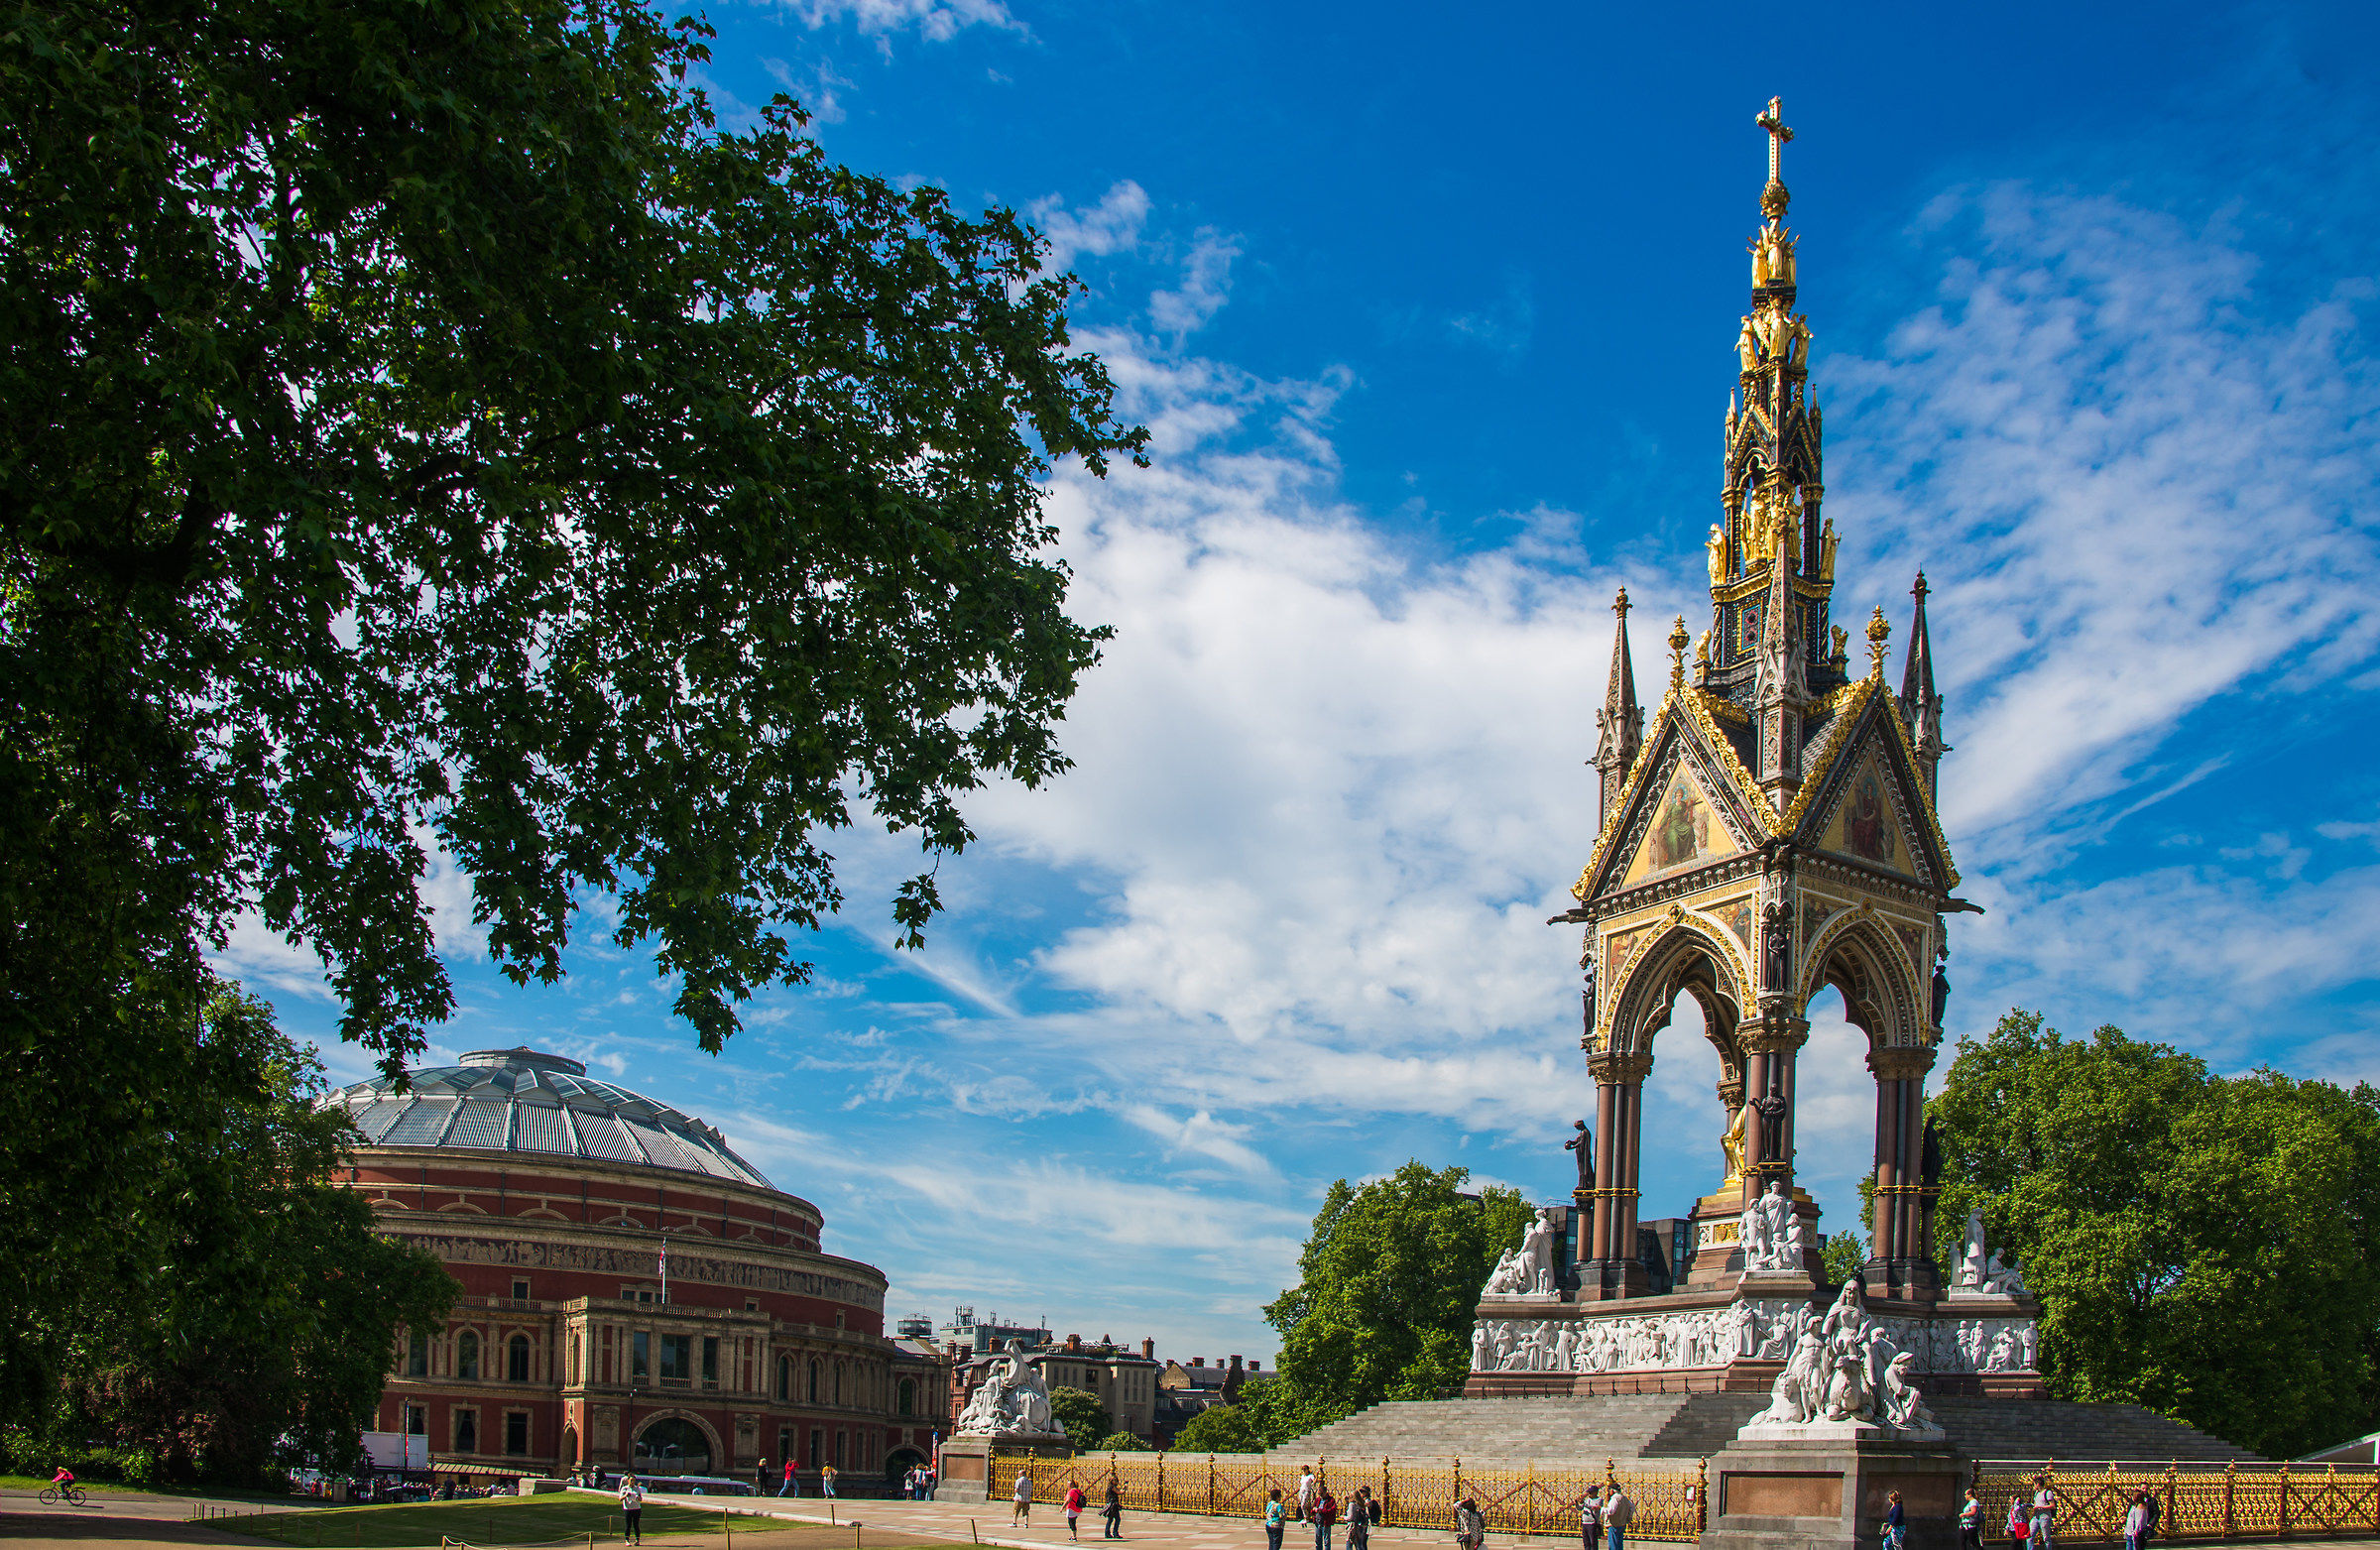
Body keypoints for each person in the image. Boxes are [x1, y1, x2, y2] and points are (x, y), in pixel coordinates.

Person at [1604, 1483, 1634, 1550]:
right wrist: (1628, 1517)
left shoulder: (1615, 1499)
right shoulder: (1624, 1498)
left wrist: (1602, 1509)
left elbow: (1611, 1511)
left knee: (1613, 1544)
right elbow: (1632, 1507)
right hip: (1622, 1523)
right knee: (1619, 1544)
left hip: (1614, 1524)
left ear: (1612, 1490)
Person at [2030, 1478, 2057, 1550]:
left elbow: (2052, 1505)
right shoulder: (2036, 1493)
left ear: (2037, 1484)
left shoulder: (2047, 1493)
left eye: (2034, 1484)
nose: (2033, 1486)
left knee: (2046, 1538)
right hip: (2036, 1516)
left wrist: (2040, 1507)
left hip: (2044, 1517)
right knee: (2030, 1535)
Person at [619, 1474, 646, 1546]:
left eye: (633, 1480)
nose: (632, 1482)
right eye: (631, 1480)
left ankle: (637, 1540)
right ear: (628, 1480)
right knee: (628, 1525)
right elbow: (620, 1499)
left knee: (636, 1525)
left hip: (636, 1508)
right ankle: (627, 1540)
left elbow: (640, 1499)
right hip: (628, 1509)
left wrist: (638, 1498)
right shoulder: (624, 1488)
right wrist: (625, 1495)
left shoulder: (637, 1488)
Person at [1960, 1486, 1982, 1550]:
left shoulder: (1973, 1502)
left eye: (1965, 1494)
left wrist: (1963, 1514)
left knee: (1975, 1543)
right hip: (1965, 1525)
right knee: (1962, 1542)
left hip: (1970, 1526)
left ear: (1970, 1495)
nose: (1965, 1496)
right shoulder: (1970, 1502)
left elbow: (1973, 1512)